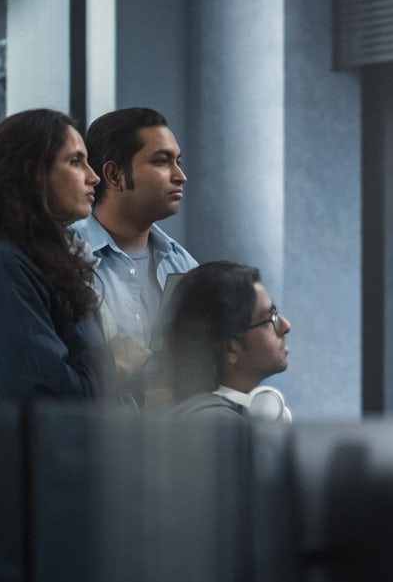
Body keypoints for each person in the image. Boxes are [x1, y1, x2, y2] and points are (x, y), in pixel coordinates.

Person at [0, 108, 112, 401]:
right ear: (33, 173)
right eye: (75, 162)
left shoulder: (46, 260)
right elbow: (42, 394)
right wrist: (113, 369)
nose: (93, 177)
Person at [69, 107, 198, 380]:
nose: (180, 176)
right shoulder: (64, 257)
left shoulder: (183, 265)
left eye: (178, 162)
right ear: (114, 175)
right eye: (162, 161)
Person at [160, 261, 291, 422]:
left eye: (275, 314)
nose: (286, 326)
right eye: (268, 321)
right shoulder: (217, 423)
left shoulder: (221, 416)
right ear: (231, 348)